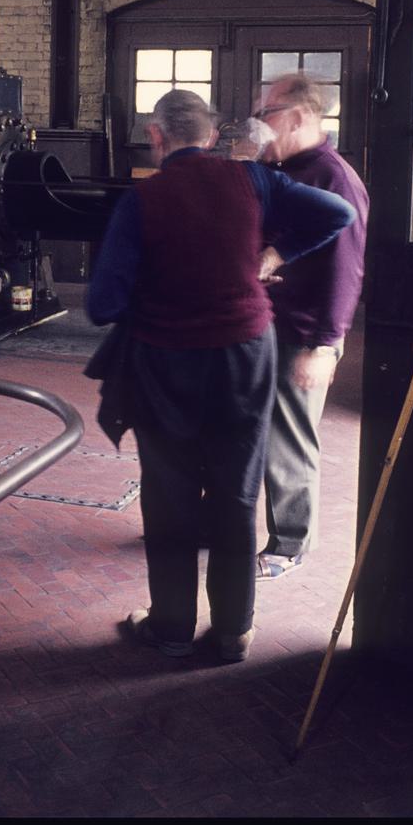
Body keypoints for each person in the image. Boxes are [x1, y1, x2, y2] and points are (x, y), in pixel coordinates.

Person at [86, 89, 357, 663]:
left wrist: (154, 291)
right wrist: (275, 255)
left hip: (167, 359)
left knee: (170, 493)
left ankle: (172, 629)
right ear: (212, 137)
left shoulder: (144, 199)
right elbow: (339, 214)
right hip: (246, 354)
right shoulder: (255, 182)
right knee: (237, 491)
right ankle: (234, 630)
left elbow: (103, 305)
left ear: (157, 137)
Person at [255, 72, 369, 581]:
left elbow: (347, 270)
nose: (259, 125)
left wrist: (324, 345)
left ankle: (289, 544)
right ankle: (225, 527)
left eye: (266, 114)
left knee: (289, 438)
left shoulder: (334, 178)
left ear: (297, 117)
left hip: (304, 330)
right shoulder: (285, 167)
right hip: (267, 322)